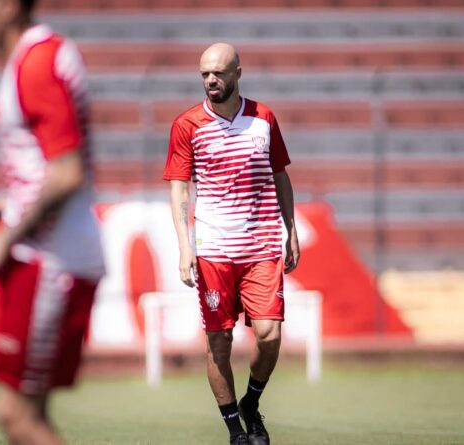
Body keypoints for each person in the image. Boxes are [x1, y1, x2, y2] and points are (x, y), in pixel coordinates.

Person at [0, 1, 105, 444]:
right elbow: (42, 168)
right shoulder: (34, 57)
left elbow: (67, 173)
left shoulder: (37, 63)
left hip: (50, 262)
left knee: (20, 415)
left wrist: (4, 236)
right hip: (32, 256)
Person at [163, 43, 300, 445]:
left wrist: (291, 229)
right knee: (219, 340)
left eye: (218, 73)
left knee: (269, 335)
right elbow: (179, 189)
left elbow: (280, 175)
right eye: (204, 74)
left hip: (262, 245)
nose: (211, 80)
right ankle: (236, 431)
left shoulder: (264, 118)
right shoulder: (187, 125)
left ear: (237, 73)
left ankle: (251, 403)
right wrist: (185, 246)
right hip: (214, 250)